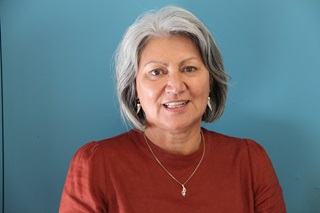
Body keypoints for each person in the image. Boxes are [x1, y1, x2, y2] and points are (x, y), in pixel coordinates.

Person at [59, 6, 286, 212]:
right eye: (156, 72)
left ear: (211, 82)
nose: (176, 86)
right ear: (134, 87)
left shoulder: (249, 162)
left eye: (189, 68)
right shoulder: (95, 166)